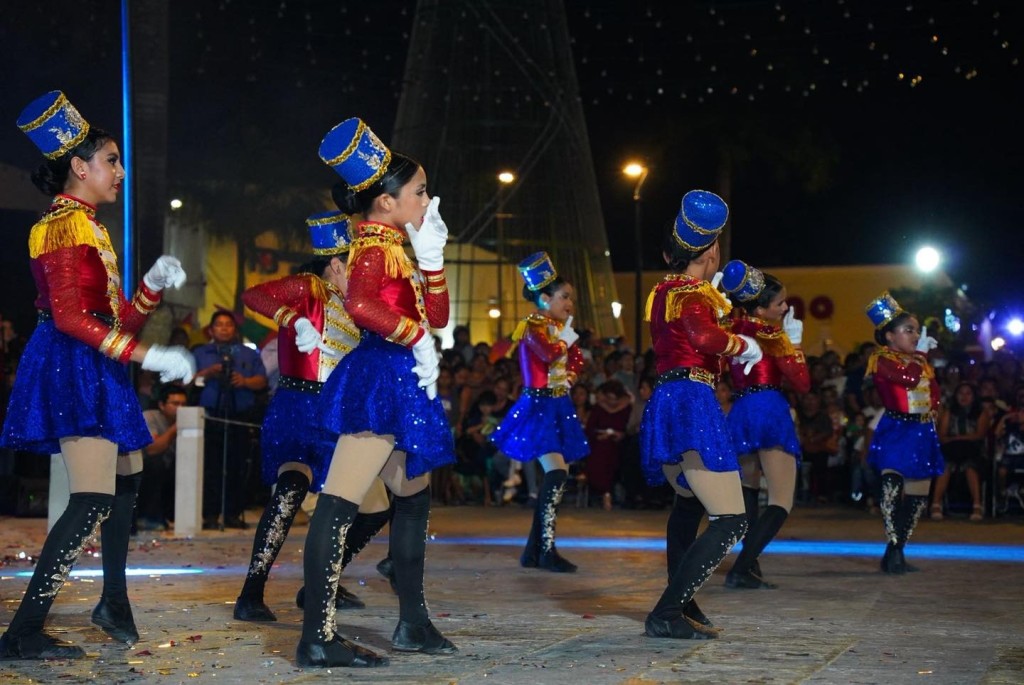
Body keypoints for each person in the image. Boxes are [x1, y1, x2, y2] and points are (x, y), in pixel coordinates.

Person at [0, 91, 194, 659]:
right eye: (112, 159)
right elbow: (67, 318)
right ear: (80, 168)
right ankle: (24, 632)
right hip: (71, 364)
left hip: (94, 361)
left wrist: (151, 287)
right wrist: (147, 357)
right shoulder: (61, 226)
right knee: (90, 498)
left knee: (127, 478)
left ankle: (113, 599)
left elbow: (116, 317)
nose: (121, 171)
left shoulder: (90, 227)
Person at [297, 117, 456, 668]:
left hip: (402, 378)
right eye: (418, 191)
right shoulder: (371, 247)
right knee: (338, 504)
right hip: (382, 378)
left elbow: (437, 315)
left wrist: (433, 257)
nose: (426, 198)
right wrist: (417, 339)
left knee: (412, 498)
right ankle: (316, 634)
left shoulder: (397, 246)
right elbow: (364, 308)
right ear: (385, 202)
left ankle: (413, 622)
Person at [233, 211, 391, 623]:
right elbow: (253, 296)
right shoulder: (308, 287)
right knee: (289, 490)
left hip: (339, 415)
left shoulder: (356, 307)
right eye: (356, 268)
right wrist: (292, 317)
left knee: (376, 508)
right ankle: (251, 593)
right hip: (298, 407)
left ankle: (318, 584)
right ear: (337, 265)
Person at [639, 189, 762, 639]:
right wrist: (743, 345)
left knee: (687, 506)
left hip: (670, 397)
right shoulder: (691, 294)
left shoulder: (667, 289)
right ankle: (668, 610)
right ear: (710, 252)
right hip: (692, 400)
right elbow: (704, 338)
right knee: (732, 518)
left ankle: (683, 605)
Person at [490, 252, 590, 572]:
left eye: (571, 298)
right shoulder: (533, 325)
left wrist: (571, 374)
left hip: (558, 404)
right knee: (557, 473)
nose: (570, 303)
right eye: (565, 297)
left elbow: (576, 360)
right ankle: (543, 549)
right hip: (539, 405)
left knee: (558, 473)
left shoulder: (558, 327)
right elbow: (548, 353)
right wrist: (566, 341)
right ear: (545, 298)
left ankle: (536, 550)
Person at [719, 260, 809, 589]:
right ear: (762, 307)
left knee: (749, 489)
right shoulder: (772, 334)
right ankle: (742, 567)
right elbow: (802, 383)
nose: (786, 308)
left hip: (742, 408)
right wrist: (795, 344)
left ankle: (750, 565)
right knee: (781, 500)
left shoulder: (734, 328)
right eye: (780, 303)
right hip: (768, 408)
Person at [864, 291, 943, 574]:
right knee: (891, 488)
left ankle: (895, 552)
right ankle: (894, 549)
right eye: (908, 330)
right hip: (897, 429)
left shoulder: (921, 362)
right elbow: (908, 380)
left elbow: (933, 395)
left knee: (917, 497)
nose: (915, 335)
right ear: (889, 336)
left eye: (917, 331)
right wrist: (920, 354)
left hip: (921, 431)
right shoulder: (882, 359)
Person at [192, 310, 268, 529]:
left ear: (235, 329)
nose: (224, 328)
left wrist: (244, 381)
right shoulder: (201, 352)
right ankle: (210, 515)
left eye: (228, 325)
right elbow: (187, 379)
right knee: (211, 466)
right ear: (211, 329)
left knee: (237, 466)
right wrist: (209, 372)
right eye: (219, 325)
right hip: (211, 414)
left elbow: (261, 381)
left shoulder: (248, 353)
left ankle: (233, 514)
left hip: (239, 415)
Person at [930, 382, 991, 521]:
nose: (964, 397)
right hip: (951, 449)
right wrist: (957, 439)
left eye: (968, 393)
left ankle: (977, 505)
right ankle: (936, 504)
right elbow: (942, 436)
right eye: (961, 393)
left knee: (970, 467)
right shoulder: (949, 412)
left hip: (973, 450)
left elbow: (979, 435)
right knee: (944, 466)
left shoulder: (981, 413)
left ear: (974, 396)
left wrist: (958, 437)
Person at [137, 384, 189, 531]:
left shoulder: (190, 420)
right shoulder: (150, 417)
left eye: (184, 404)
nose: (180, 409)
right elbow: (152, 449)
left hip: (170, 467)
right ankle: (148, 517)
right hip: (145, 467)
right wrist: (174, 429)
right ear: (162, 405)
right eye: (175, 404)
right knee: (156, 464)